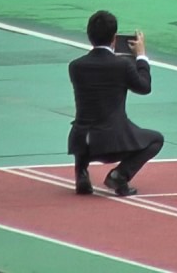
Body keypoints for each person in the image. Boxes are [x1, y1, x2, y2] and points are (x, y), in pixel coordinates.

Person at [67, 11, 164, 197]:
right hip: (112, 143)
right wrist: (141, 57)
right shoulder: (122, 66)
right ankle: (119, 175)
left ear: (89, 36)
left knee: (85, 125)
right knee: (156, 139)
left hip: (81, 142)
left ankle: (82, 172)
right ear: (114, 38)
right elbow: (144, 87)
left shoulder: (75, 66)